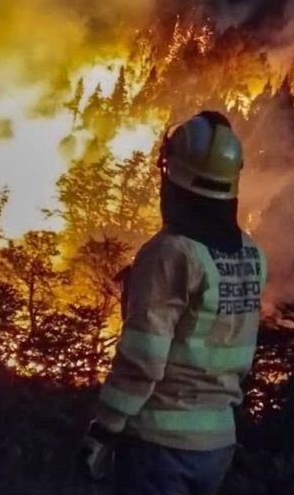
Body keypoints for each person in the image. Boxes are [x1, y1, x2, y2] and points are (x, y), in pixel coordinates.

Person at [80, 110, 267, 495]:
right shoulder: (251, 254)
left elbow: (142, 358)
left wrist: (104, 429)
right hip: (217, 446)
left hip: (159, 445)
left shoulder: (169, 252)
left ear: (173, 177)